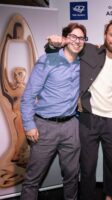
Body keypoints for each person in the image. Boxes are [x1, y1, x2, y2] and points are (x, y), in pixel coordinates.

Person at [46, 18, 112, 200]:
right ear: (105, 35)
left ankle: (111, 196)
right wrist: (53, 44)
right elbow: (63, 49)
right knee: (87, 167)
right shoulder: (89, 51)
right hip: (89, 119)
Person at [20, 22, 87, 200]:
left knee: (72, 177)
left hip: (71, 127)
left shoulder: (83, 64)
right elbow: (28, 96)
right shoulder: (47, 60)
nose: (77, 41)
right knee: (33, 179)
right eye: (73, 36)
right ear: (65, 38)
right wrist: (29, 125)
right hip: (44, 127)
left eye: (81, 38)